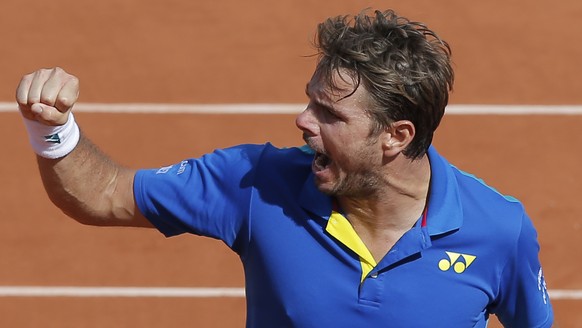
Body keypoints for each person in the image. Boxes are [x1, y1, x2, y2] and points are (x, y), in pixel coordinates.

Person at [16, 9, 553, 328]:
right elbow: (103, 193)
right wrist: (53, 128)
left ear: (397, 136)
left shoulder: (498, 230)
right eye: (309, 101)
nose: (303, 120)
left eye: (330, 114)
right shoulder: (255, 182)